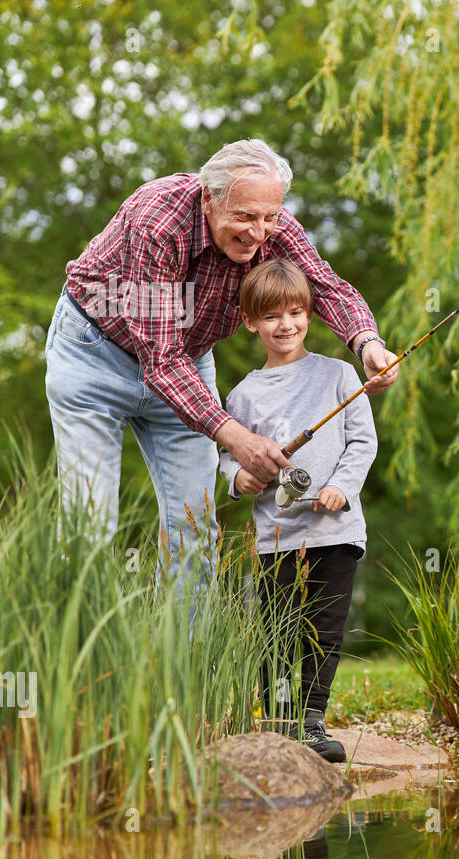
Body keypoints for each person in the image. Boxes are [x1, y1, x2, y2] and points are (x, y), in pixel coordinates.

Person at [45, 139, 397, 590]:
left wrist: (366, 342)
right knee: (88, 524)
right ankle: (82, 658)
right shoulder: (159, 222)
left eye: (270, 216)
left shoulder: (274, 227)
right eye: (245, 217)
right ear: (208, 197)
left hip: (185, 361)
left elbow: (324, 286)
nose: (259, 231)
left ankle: (183, 659)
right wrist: (237, 436)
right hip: (95, 352)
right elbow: (161, 358)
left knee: (193, 528)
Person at [219, 258, 377, 762]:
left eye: (295, 312)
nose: (285, 325)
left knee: (326, 626)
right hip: (277, 535)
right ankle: (280, 720)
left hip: (336, 530)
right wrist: (239, 479)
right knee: (278, 627)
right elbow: (226, 457)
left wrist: (340, 487)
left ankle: (311, 722)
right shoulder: (242, 393)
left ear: (310, 314)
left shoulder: (339, 374)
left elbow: (362, 443)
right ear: (250, 322)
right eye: (271, 317)